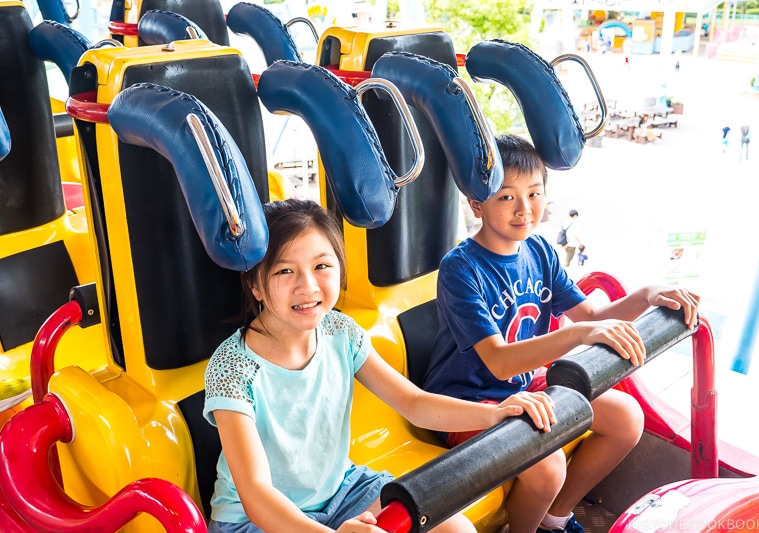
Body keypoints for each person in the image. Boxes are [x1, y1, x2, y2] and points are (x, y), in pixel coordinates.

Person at [203, 198, 556, 533]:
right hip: (257, 520)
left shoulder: (340, 333)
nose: (307, 286)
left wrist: (495, 415)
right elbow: (255, 494)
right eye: (284, 270)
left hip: (343, 491)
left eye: (321, 266)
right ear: (255, 286)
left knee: (456, 527)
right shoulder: (233, 369)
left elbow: (414, 404)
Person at [423, 134, 700, 533]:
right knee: (547, 465)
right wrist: (579, 335)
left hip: (526, 387)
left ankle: (555, 518)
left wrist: (646, 295)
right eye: (506, 197)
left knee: (626, 418)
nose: (524, 209)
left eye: (534, 194)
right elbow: (500, 363)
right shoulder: (461, 269)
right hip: (470, 399)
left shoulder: (539, 252)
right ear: (476, 204)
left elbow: (592, 314)